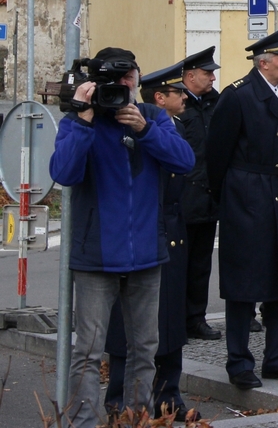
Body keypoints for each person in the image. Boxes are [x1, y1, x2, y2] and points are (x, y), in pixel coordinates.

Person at [49, 48, 194, 428]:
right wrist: (82, 120)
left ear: (138, 79)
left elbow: (184, 161)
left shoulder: (153, 117)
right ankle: (82, 423)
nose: (123, 86)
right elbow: (63, 173)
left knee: (145, 348)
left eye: (129, 77)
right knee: (88, 350)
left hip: (147, 254)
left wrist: (143, 132)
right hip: (97, 256)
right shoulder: (81, 122)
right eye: (115, 80)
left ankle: (135, 420)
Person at [206, 27, 278, 389]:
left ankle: (277, 356)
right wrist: (231, 196)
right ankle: (239, 362)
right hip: (247, 194)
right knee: (243, 284)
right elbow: (216, 155)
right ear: (264, 63)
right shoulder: (238, 96)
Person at [105, 61, 197, 422]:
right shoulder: (130, 126)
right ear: (160, 97)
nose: (185, 97)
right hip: (142, 231)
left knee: (171, 321)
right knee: (129, 325)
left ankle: (168, 396)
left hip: (172, 232)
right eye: (178, 92)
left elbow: (187, 164)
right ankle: (120, 400)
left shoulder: (171, 126)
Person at [177, 46, 225, 341]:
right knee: (178, 264)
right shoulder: (178, 104)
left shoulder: (214, 103)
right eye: (208, 74)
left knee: (200, 264)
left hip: (208, 197)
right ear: (190, 76)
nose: (212, 79)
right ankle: (174, 319)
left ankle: (196, 318)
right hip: (183, 196)